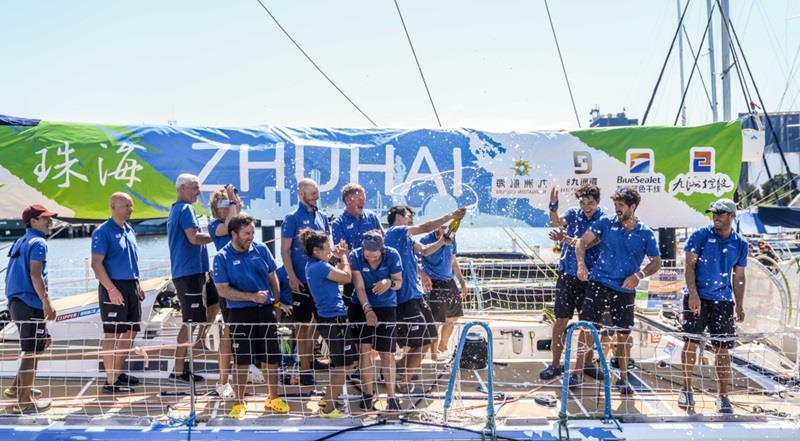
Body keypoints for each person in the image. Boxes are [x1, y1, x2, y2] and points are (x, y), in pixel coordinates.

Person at [574, 186, 661, 394]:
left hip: (624, 289)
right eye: (615, 205)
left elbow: (657, 262)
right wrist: (581, 265)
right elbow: (581, 243)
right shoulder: (605, 223)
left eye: (621, 205)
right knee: (586, 327)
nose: (617, 209)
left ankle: (623, 378)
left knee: (623, 335)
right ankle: (576, 373)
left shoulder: (645, 233)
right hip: (599, 282)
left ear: (633, 206)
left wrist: (638, 276)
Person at [213, 214, 292, 419]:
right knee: (242, 360)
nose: (251, 237)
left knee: (271, 358)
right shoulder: (221, 257)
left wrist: (275, 302)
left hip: (265, 311)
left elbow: (272, 275)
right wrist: (251, 297)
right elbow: (222, 290)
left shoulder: (261, 249)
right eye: (246, 233)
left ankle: (273, 398)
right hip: (239, 313)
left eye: (253, 233)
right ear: (234, 234)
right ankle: (239, 403)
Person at [384, 205, 466, 392]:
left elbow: (425, 250)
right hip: (405, 298)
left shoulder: (406, 239)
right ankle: (401, 382)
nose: (412, 218)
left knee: (430, 338)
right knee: (421, 342)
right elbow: (425, 228)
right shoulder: (396, 231)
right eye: (408, 215)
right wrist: (451, 215)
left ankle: (394, 371)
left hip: (416, 294)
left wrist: (443, 242)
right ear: (397, 217)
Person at [679, 199, 748, 414]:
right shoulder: (700, 235)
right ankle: (687, 388)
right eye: (713, 213)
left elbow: (739, 277)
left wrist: (739, 305)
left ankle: (723, 396)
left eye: (721, 213)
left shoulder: (740, 244)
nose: (716, 216)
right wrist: (693, 294)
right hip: (697, 297)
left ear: (732, 216)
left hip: (723, 301)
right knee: (691, 343)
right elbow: (689, 266)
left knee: (723, 349)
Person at [540, 184, 605, 381]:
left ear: (597, 202)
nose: (586, 207)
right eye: (583, 203)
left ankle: (582, 367)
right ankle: (555, 364)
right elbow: (555, 222)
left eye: (591, 203)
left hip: (590, 278)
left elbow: (585, 244)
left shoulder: (603, 220)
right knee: (561, 320)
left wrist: (564, 238)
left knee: (588, 324)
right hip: (567, 275)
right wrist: (553, 206)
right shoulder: (573, 213)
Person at [4, 204, 58, 414]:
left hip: (16, 302)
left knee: (37, 345)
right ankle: (24, 402)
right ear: (33, 221)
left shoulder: (22, 240)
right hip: (30, 302)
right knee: (32, 352)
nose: (50, 222)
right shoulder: (39, 242)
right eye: (45, 218)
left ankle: (16, 388)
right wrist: (46, 301)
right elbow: (35, 273)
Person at [167, 173, 220, 383]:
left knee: (214, 303)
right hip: (187, 272)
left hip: (198, 271)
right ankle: (178, 370)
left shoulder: (179, 209)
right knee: (189, 321)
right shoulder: (185, 209)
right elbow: (194, 238)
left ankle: (199, 342)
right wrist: (221, 234)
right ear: (182, 189)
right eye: (194, 188)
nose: (198, 192)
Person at [90, 193, 144, 394]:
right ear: (113, 206)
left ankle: (118, 372)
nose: (131, 209)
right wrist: (111, 289)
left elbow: (131, 261)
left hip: (131, 286)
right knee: (112, 334)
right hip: (113, 286)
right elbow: (97, 264)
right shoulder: (102, 232)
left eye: (131, 205)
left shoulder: (129, 229)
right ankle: (110, 382)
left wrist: (137, 285)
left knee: (131, 331)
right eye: (127, 205)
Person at [302, 229, 356, 418]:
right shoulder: (320, 267)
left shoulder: (312, 265)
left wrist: (335, 257)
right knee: (345, 365)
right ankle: (328, 409)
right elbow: (346, 277)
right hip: (335, 320)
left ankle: (328, 398)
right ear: (316, 250)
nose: (330, 251)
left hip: (329, 319)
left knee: (344, 363)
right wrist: (344, 258)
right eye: (327, 248)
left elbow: (331, 271)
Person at [281, 178, 330, 385]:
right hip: (300, 280)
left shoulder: (322, 216)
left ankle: (310, 358)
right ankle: (305, 369)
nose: (316, 198)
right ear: (302, 195)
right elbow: (284, 250)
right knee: (302, 326)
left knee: (318, 322)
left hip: (319, 280)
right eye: (313, 194)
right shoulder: (292, 218)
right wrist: (291, 276)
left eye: (317, 194)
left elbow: (329, 247)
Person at [331, 183, 383, 374]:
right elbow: (342, 252)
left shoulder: (372, 217)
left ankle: (372, 363)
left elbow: (381, 244)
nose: (363, 200)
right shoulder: (338, 223)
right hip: (353, 278)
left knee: (379, 318)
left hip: (376, 275)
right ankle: (358, 362)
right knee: (356, 320)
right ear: (348, 200)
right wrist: (362, 258)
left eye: (364, 197)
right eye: (358, 198)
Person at [349, 230, 403, 411]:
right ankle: (368, 394)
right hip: (361, 305)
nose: (370, 259)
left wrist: (388, 283)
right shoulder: (355, 255)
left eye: (374, 256)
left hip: (387, 306)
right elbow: (359, 286)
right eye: (367, 255)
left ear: (382, 250)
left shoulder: (393, 255)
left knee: (387, 353)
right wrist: (368, 310)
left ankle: (392, 396)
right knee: (364, 351)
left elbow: (399, 283)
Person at [207, 185, 242, 400]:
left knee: (246, 328)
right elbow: (230, 224)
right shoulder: (215, 226)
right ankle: (223, 380)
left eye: (228, 205)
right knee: (228, 331)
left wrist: (234, 200)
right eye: (222, 205)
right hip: (226, 282)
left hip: (244, 279)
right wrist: (230, 198)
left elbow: (237, 216)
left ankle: (248, 367)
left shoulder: (237, 221)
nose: (227, 208)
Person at [418, 225, 467, 360]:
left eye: (450, 227)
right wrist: (421, 275)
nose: (447, 230)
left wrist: (462, 282)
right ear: (437, 226)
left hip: (449, 281)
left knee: (453, 317)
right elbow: (411, 260)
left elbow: (453, 261)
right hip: (433, 282)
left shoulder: (452, 238)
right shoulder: (425, 239)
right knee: (435, 320)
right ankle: (433, 353)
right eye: (444, 226)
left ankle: (443, 346)